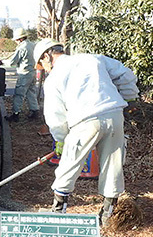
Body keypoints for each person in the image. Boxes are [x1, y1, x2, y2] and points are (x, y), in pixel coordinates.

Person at [33, 38, 139, 225]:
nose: (45, 68)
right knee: (113, 164)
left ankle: (58, 211)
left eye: (42, 64)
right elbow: (127, 75)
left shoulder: (55, 77)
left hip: (85, 121)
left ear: (46, 56)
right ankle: (108, 214)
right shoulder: (92, 59)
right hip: (114, 115)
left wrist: (61, 140)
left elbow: (55, 116)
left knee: (69, 163)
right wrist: (127, 97)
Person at [0, 28, 38, 122]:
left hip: (24, 74)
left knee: (19, 94)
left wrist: (2, 62)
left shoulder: (22, 48)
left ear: (20, 39)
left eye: (16, 40)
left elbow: (13, 62)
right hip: (32, 72)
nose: (16, 42)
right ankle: (34, 110)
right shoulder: (32, 45)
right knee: (31, 92)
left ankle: (16, 114)